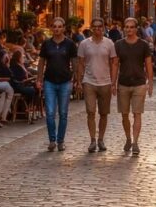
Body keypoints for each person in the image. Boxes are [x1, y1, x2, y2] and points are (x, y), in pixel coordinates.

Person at [113, 17, 153, 156]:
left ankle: (135, 142)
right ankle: (128, 138)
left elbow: (148, 64)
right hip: (123, 83)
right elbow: (115, 64)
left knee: (137, 113)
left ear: (136, 29)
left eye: (131, 27)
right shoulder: (118, 44)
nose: (129, 29)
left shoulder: (143, 45)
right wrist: (113, 82)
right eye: (127, 27)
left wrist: (151, 83)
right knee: (124, 115)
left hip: (139, 83)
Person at [76, 18, 117, 153]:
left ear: (104, 28)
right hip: (89, 82)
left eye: (100, 27)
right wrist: (79, 80)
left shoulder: (109, 43)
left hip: (105, 82)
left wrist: (113, 82)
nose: (97, 29)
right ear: (91, 28)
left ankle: (101, 139)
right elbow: (80, 63)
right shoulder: (84, 44)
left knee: (104, 113)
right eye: (95, 27)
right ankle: (93, 140)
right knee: (90, 111)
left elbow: (113, 63)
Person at [37, 17, 77, 152]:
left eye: (59, 26)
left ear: (64, 28)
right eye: (54, 26)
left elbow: (75, 62)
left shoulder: (70, 44)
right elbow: (41, 62)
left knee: (63, 113)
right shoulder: (47, 44)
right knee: (49, 113)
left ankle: (61, 141)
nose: (57, 29)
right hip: (49, 81)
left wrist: (76, 78)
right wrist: (39, 79)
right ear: (51, 28)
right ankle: (52, 140)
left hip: (65, 81)